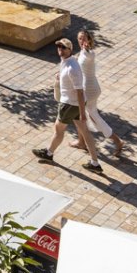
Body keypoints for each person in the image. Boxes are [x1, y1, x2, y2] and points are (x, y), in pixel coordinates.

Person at [33, 39, 103, 174]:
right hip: (73, 104)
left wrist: (82, 114)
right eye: (59, 47)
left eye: (63, 47)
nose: (60, 49)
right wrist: (60, 77)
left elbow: (80, 92)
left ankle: (48, 153)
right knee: (85, 132)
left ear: (70, 49)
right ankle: (95, 163)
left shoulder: (72, 68)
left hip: (69, 104)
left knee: (58, 129)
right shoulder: (67, 62)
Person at [70, 29, 122, 160]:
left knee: (89, 116)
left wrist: (86, 50)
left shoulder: (89, 53)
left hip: (89, 90)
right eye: (80, 38)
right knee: (84, 115)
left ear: (89, 40)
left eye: (84, 39)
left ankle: (117, 141)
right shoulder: (82, 52)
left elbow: (89, 55)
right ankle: (81, 142)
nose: (82, 41)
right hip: (91, 88)